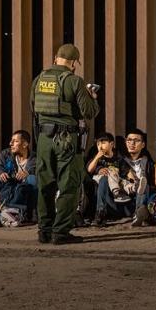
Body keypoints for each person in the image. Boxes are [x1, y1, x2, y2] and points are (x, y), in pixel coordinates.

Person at [30, 43, 100, 244]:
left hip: (44, 139)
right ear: (73, 63)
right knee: (69, 185)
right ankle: (60, 232)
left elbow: (33, 110)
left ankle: (44, 230)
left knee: (45, 186)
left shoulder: (38, 80)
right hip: (66, 140)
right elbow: (89, 112)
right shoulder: (74, 81)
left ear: (55, 58)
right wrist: (93, 98)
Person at [0, 131, 38, 227]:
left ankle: (32, 214)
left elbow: (43, 171)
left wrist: (28, 172)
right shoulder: (6, 154)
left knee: (33, 179)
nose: (10, 144)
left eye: (15, 141)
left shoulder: (35, 158)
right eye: (11, 141)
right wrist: (0, 173)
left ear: (25, 144)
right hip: (9, 187)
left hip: (24, 191)